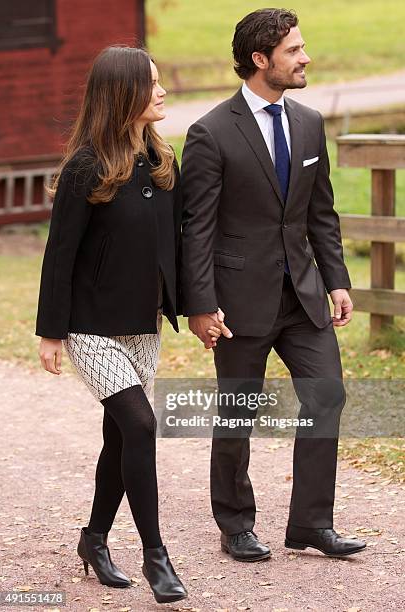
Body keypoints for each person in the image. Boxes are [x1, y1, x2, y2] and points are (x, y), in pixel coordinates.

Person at [180, 8, 367, 561]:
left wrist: (336, 280)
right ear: (260, 59)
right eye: (293, 50)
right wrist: (201, 304)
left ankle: (311, 523)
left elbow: (321, 213)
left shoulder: (309, 122)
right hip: (238, 302)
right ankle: (235, 523)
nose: (305, 57)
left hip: (303, 295)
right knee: (238, 410)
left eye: (302, 48)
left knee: (325, 394)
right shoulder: (210, 132)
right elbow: (198, 229)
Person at [34, 45, 212, 604]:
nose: (162, 92)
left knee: (121, 435)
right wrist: (51, 331)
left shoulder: (162, 161)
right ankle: (157, 554)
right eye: (152, 84)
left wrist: (197, 306)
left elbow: (176, 246)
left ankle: (93, 538)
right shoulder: (86, 166)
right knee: (139, 426)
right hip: (91, 326)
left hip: (142, 325)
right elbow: (59, 253)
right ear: (123, 94)